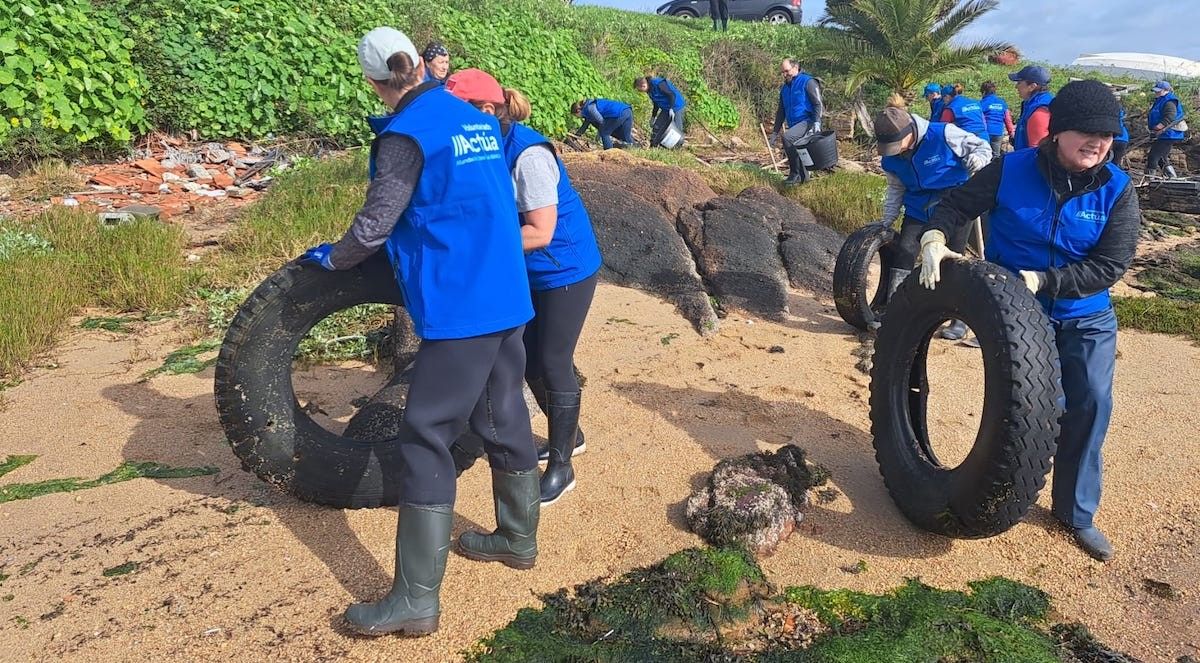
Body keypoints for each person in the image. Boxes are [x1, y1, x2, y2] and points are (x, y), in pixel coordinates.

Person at [304, 27, 539, 637]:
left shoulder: (407, 135)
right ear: (417, 64)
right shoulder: (471, 117)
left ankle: (414, 601)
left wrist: (332, 260)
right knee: (502, 409)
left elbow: (376, 223)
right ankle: (517, 538)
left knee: (427, 432)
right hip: (508, 291)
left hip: (463, 302)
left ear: (374, 80)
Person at [917, 80, 1140, 562]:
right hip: (1016, 316)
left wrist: (1043, 281)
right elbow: (955, 206)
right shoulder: (1010, 169)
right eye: (1086, 132)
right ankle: (1008, 493)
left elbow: (1111, 266)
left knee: (1091, 403)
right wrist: (934, 234)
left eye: (1106, 136)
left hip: (1085, 314)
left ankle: (1076, 513)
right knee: (1032, 406)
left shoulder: (1118, 190)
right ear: (1057, 131)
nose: (1098, 144)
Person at [445, 70, 603, 506]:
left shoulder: (529, 154)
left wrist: (472, 243)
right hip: (525, 269)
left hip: (562, 268)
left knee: (553, 362)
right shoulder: (479, 143)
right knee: (528, 359)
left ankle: (562, 466)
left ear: (487, 110)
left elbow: (540, 232)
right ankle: (569, 435)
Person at [874, 105, 991, 339]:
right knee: (905, 251)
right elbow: (896, 189)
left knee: (951, 259)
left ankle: (958, 318)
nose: (894, 152)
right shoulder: (891, 159)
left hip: (953, 205)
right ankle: (897, 308)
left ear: (909, 132)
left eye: (896, 145)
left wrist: (978, 159)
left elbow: (982, 147)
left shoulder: (943, 134)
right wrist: (887, 220)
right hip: (918, 208)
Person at [770, 58, 825, 186]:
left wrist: (817, 123)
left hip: (808, 121)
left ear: (795, 68)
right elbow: (781, 112)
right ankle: (804, 180)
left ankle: (794, 174)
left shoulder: (808, 82)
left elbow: (818, 104)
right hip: (795, 124)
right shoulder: (785, 88)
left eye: (787, 71)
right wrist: (774, 132)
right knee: (799, 149)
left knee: (788, 138)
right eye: (782, 72)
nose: (784, 74)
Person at [1146, 80, 1187, 178]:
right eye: (1155, 90)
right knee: (1161, 157)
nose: (1156, 92)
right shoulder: (1160, 99)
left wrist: (1157, 127)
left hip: (1169, 133)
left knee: (1153, 156)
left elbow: (1169, 117)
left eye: (1159, 91)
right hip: (1164, 134)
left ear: (1166, 90)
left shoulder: (1169, 101)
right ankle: (1172, 178)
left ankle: (1149, 179)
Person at [634, 75, 686, 148]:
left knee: (677, 130)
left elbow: (672, 95)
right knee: (657, 127)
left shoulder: (658, 83)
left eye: (640, 90)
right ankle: (653, 146)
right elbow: (656, 103)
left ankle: (678, 148)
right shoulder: (649, 90)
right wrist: (653, 117)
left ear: (643, 86)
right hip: (666, 108)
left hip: (676, 106)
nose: (641, 92)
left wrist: (671, 109)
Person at [1010, 65, 1053, 150]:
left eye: (1019, 83)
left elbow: (1037, 151)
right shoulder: (1030, 104)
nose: (1016, 87)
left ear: (1032, 86)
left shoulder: (1040, 111)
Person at [980, 81, 1015, 157]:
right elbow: (1007, 119)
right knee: (996, 156)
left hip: (986, 132)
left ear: (984, 92)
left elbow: (980, 118)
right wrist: (1011, 132)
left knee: (984, 155)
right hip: (998, 133)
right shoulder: (1002, 103)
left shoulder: (982, 103)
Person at [1111, 93, 1129, 167]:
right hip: (1124, 138)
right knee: (1116, 162)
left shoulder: (1109, 109)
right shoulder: (1122, 109)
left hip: (1114, 138)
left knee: (1106, 162)